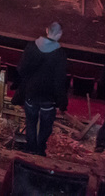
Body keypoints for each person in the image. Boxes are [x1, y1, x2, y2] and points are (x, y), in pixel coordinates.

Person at [16, 22, 68, 156]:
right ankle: (40, 149)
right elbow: (60, 80)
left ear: (46, 30)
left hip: (31, 93)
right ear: (60, 34)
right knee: (46, 125)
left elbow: (22, 69)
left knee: (31, 121)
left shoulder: (31, 47)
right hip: (48, 98)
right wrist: (62, 101)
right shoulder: (60, 54)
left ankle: (30, 147)